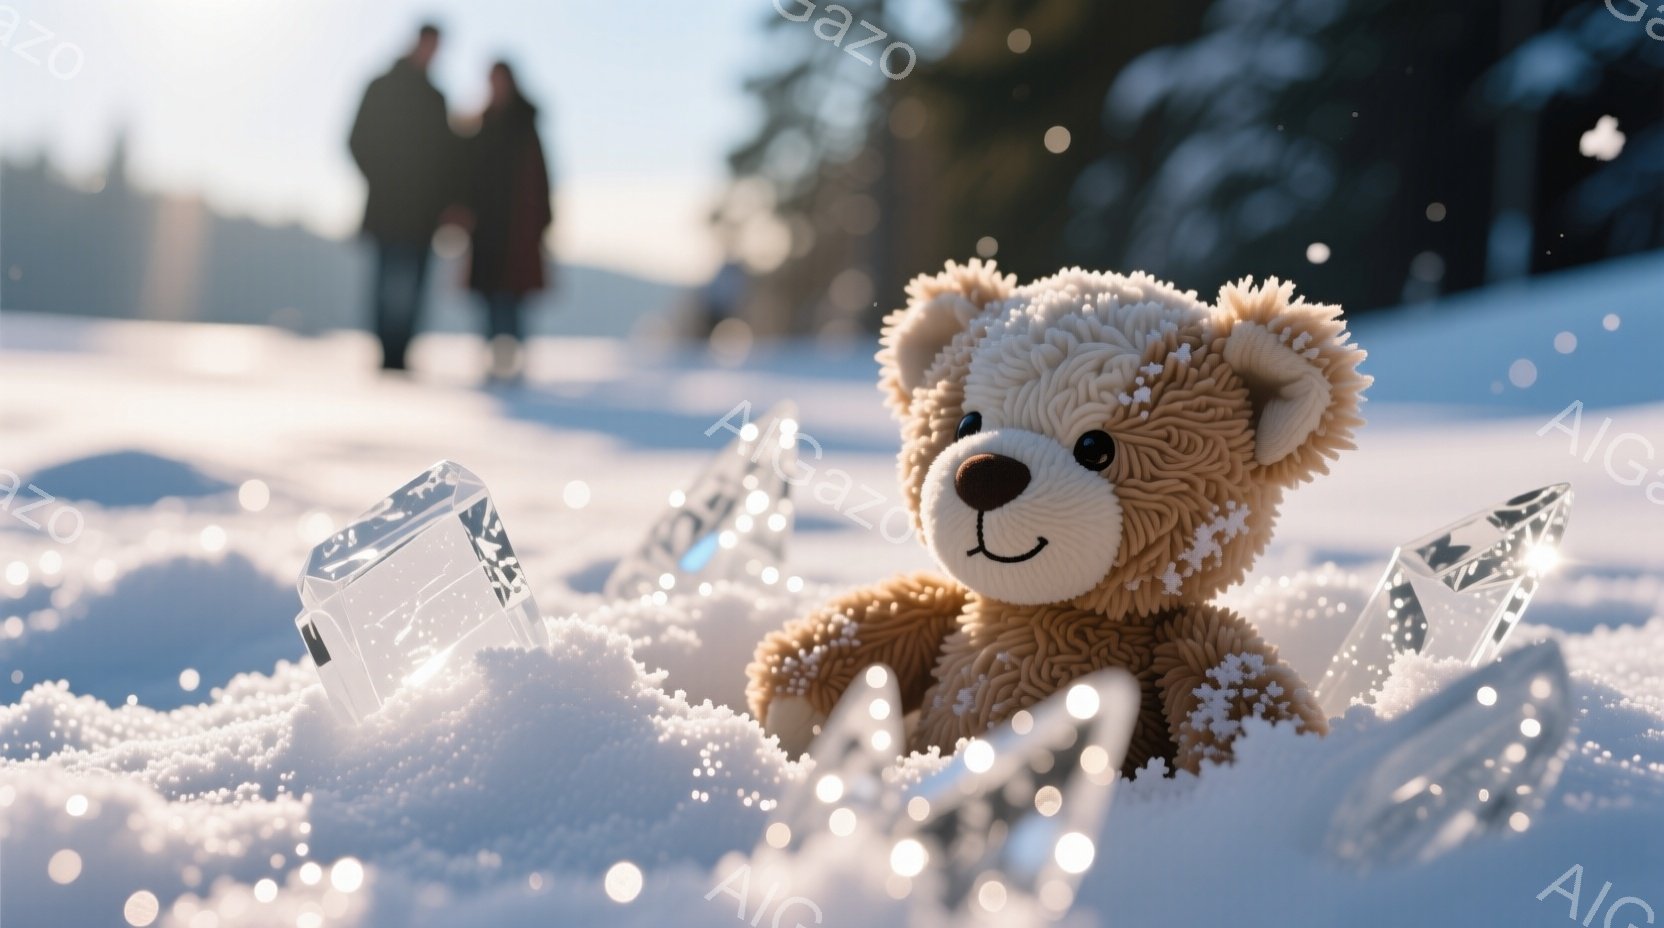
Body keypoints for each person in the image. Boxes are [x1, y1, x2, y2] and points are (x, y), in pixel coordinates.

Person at [348, 23, 457, 372]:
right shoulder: (382, 88)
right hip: (388, 210)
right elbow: (356, 140)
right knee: (387, 286)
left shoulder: (436, 98)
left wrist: (443, 203)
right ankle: (387, 357)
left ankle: (403, 355)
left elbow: (447, 157)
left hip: (424, 216)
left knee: (416, 289)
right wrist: (383, 180)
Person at [462, 61, 553, 382]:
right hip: (486, 226)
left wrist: (543, 219)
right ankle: (493, 360)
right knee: (489, 298)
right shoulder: (480, 124)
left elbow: (540, 176)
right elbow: (467, 174)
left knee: (512, 297)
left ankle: (511, 362)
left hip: (517, 227)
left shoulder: (524, 125)